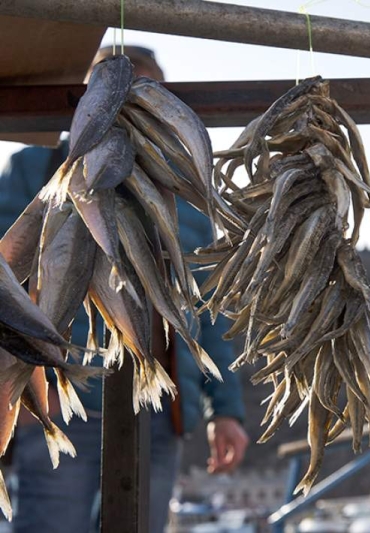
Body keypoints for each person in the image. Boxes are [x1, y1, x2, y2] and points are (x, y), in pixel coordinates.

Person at [0, 45, 249, 533]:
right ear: (86, 100)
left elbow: (210, 309)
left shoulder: (187, 195)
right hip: (57, 399)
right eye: (115, 91)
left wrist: (228, 410)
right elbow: (5, 279)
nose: (131, 103)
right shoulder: (33, 169)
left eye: (148, 94)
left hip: (161, 409)